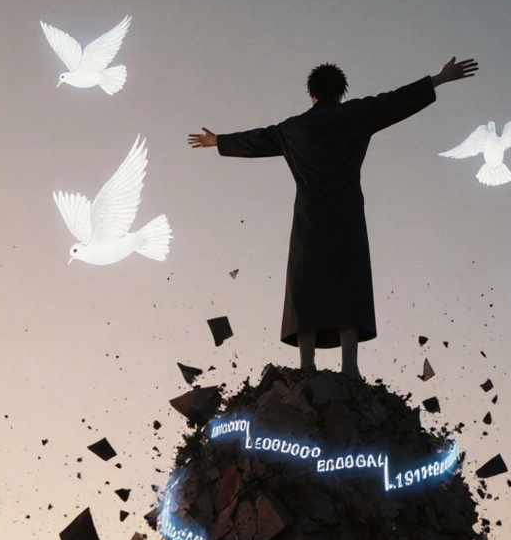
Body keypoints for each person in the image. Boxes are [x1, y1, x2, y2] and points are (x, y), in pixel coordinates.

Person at [188, 57, 478, 376]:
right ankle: (350, 369)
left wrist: (217, 140)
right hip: (347, 213)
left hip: (309, 217)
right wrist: (438, 78)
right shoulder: (356, 115)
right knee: (348, 285)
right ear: (341, 91)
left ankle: (307, 367)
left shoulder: (292, 129)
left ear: (311, 93)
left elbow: (256, 139)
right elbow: (396, 101)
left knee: (306, 288)